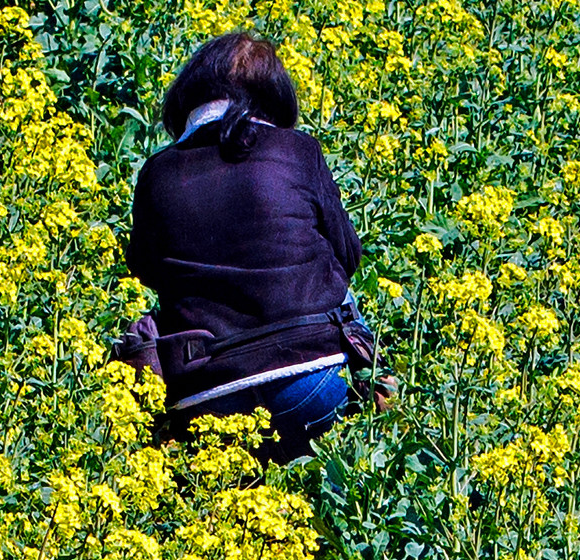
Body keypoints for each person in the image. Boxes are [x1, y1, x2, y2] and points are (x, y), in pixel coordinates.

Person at [123, 32, 388, 463]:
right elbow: (347, 255)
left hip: (207, 395)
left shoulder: (157, 173)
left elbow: (147, 270)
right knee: (335, 286)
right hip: (312, 382)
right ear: (275, 100)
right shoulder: (298, 150)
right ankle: (381, 408)